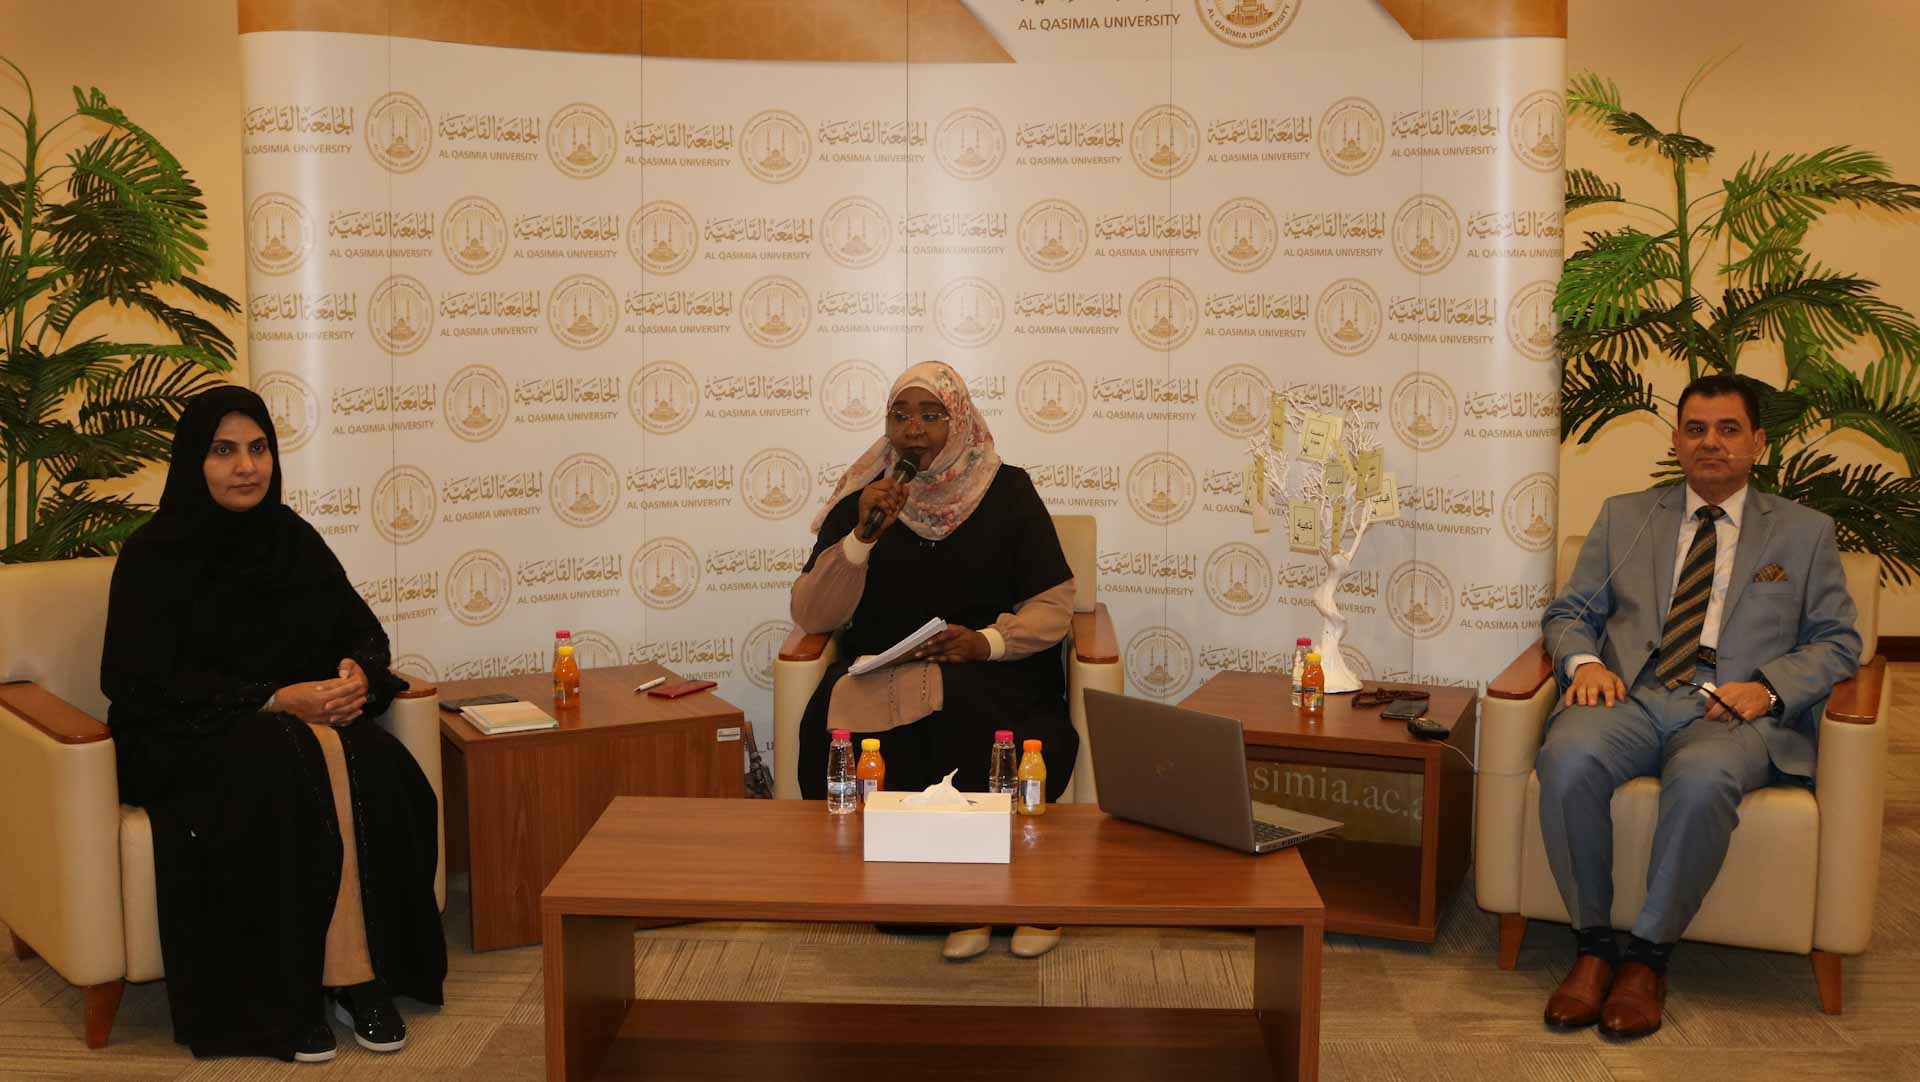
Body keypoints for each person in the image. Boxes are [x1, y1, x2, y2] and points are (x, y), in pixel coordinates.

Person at [101, 386, 446, 1062]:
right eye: (224, 450)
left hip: (296, 728)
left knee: (373, 759)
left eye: (258, 448)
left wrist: (357, 674)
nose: (246, 467)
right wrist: (273, 699)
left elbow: (363, 633)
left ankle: (353, 970)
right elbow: (138, 683)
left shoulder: (291, 539)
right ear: (193, 461)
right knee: (291, 754)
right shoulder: (154, 553)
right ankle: (334, 984)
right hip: (185, 736)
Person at [1537, 373, 1861, 1037]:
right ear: (1676, 442)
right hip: (1632, 694)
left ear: (1758, 443)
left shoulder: (1804, 533)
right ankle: (1593, 947)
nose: (1710, 442)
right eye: (1695, 429)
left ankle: (1647, 958)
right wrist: (1586, 663)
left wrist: (1768, 687)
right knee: (1567, 758)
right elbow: (1571, 612)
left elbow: (1838, 642)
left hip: (1730, 709)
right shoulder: (1626, 517)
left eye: (1728, 429)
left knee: (1703, 779)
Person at [792, 360, 1077, 961]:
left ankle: (1026, 900)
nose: (913, 429)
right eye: (900, 416)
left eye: (930, 414)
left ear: (961, 420)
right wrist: (860, 539)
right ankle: (949, 904)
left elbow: (1053, 605)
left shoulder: (1009, 492)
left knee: (983, 721)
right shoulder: (864, 500)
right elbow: (813, 615)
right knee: (847, 730)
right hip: (885, 671)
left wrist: (986, 642)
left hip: (990, 669)